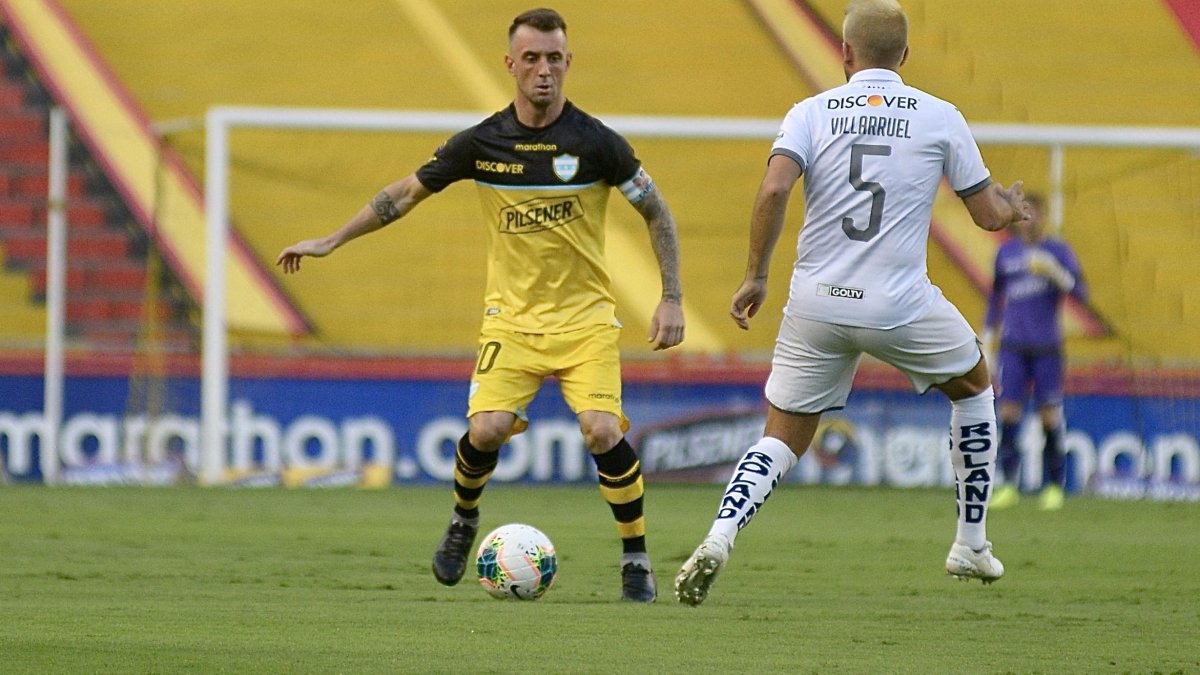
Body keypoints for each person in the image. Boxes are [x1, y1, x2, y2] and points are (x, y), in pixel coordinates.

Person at [276, 7, 685, 603]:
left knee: (601, 431)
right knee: (486, 430)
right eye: (532, 59)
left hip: (585, 321)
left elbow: (657, 210)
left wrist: (671, 297)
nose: (543, 70)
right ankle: (464, 519)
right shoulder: (482, 142)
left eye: (554, 59)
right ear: (511, 65)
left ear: (568, 63)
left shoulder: (597, 144)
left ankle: (636, 560)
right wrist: (332, 239)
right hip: (512, 322)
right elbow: (405, 193)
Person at [673, 0, 1030, 607]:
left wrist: (755, 275)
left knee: (782, 434)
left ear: (844, 53)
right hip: (898, 304)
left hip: (815, 304)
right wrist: (1011, 206)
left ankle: (719, 536)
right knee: (973, 384)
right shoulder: (940, 116)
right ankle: (971, 542)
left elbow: (774, 188)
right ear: (906, 57)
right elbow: (987, 214)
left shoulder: (810, 112)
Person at [984, 193, 1087, 512]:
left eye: (1035, 214)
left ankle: (1054, 486)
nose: (1030, 220)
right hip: (1013, 347)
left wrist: (1056, 273)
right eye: (1025, 214)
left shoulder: (1057, 251)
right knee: (1009, 413)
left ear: (1043, 218)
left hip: (1047, 348)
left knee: (1049, 414)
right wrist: (988, 337)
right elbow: (995, 299)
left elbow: (1081, 293)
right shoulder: (1005, 253)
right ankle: (1009, 484)